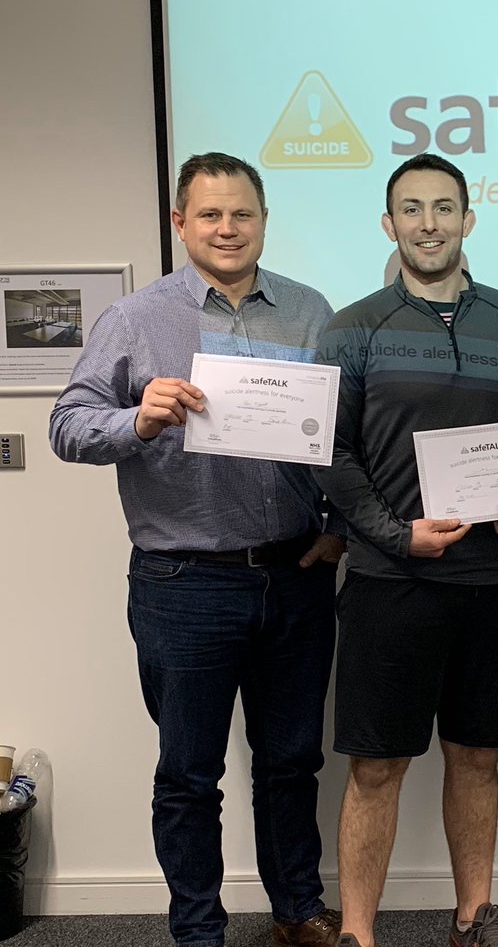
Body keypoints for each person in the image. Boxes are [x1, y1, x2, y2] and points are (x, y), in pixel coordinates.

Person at [49, 152, 344, 947]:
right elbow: (67, 426)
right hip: (183, 582)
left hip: (296, 574)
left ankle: (297, 909)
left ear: (264, 220)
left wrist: (341, 527)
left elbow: (345, 435)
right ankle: (197, 929)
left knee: (293, 760)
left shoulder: (311, 312)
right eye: (210, 214)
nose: (227, 228)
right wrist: (136, 419)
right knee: (189, 773)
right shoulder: (134, 319)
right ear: (180, 223)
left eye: (242, 213)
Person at [315, 153, 498, 947]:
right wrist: (398, 534)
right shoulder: (353, 326)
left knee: (478, 756)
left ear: (468, 219)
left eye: (444, 207)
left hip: (496, 578)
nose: (429, 224)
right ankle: (358, 933)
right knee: (376, 765)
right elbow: (328, 452)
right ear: (389, 224)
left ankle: (472, 919)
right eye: (413, 209)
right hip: (391, 579)